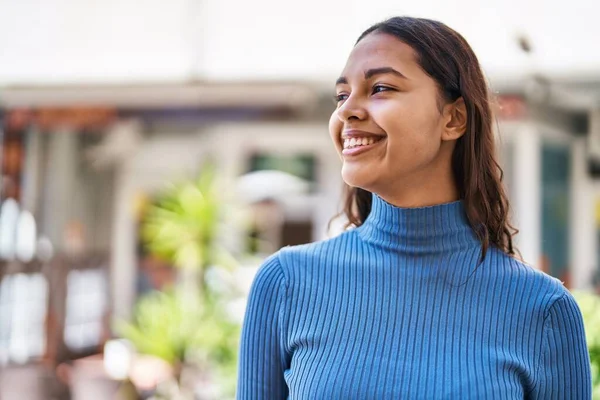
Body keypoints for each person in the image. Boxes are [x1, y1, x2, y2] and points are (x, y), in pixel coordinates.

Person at [236, 16, 592, 399]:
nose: (347, 112)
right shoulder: (286, 284)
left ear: (453, 119)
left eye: (381, 88)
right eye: (342, 95)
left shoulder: (543, 311)